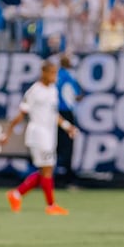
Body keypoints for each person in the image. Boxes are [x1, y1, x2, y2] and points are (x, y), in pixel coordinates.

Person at [0, 61, 78, 215]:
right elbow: (21, 114)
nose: (55, 77)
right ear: (44, 73)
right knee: (47, 169)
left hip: (50, 134)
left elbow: (54, 114)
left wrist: (67, 126)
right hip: (38, 133)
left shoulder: (53, 90)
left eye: (56, 73)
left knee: (46, 170)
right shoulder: (34, 91)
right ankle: (51, 205)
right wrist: (7, 133)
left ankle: (16, 194)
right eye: (52, 73)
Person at [55, 53, 83, 189]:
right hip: (65, 114)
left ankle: (51, 176)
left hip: (53, 114)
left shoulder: (55, 75)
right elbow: (77, 94)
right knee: (67, 146)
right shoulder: (69, 76)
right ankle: (67, 178)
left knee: (55, 145)